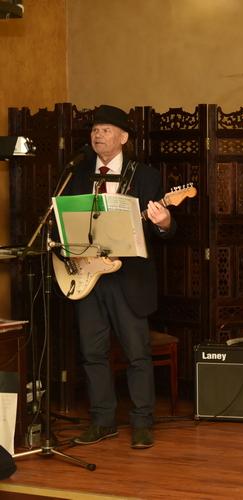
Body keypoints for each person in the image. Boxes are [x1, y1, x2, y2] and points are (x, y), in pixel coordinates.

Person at [62, 105, 175, 449]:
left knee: (137, 353)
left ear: (123, 137)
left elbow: (164, 232)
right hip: (87, 275)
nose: (98, 135)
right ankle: (102, 421)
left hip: (129, 279)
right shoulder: (78, 173)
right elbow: (62, 221)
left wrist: (164, 222)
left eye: (106, 130)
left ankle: (142, 422)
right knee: (92, 353)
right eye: (95, 129)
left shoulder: (146, 176)